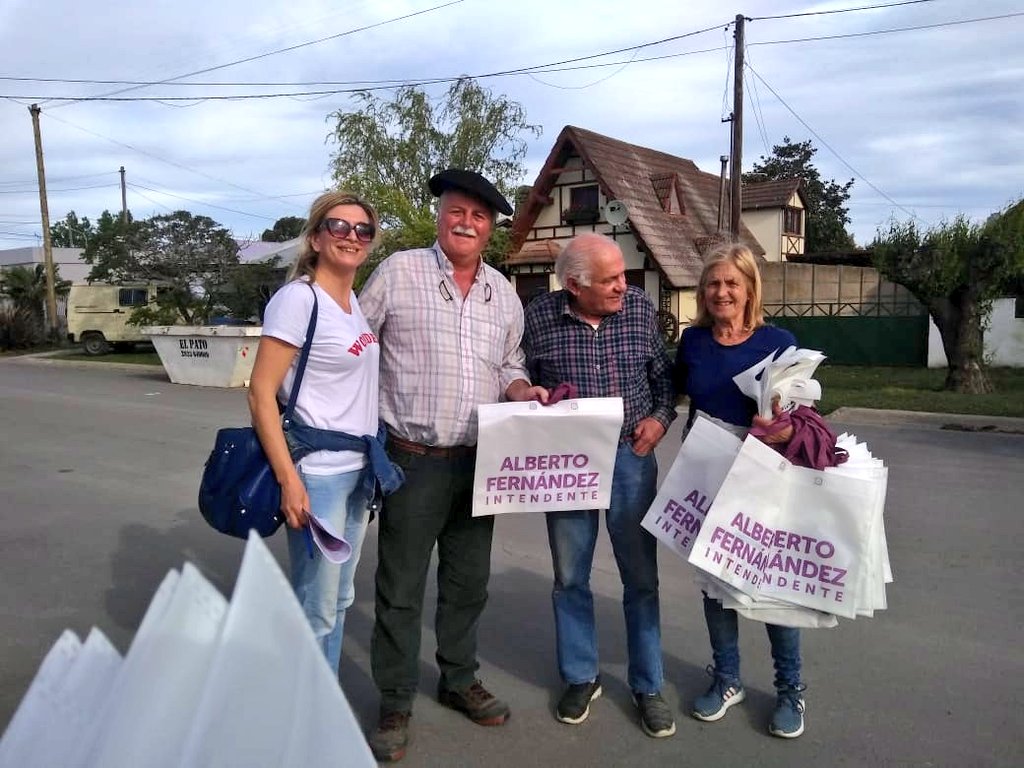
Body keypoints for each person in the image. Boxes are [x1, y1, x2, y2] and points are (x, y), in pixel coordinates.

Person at [360, 169, 547, 763]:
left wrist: (523, 391)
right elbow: (357, 344)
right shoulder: (399, 272)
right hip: (411, 459)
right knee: (400, 588)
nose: (467, 223)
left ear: (491, 229)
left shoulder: (503, 293)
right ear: (440, 216)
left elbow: (510, 364)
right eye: (457, 211)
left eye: (479, 216)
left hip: (480, 462)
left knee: (468, 584)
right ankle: (395, 699)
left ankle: (458, 677)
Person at [522, 233, 678, 739]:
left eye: (623, 275)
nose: (622, 286)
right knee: (570, 576)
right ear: (574, 285)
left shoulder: (639, 309)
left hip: (630, 456)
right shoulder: (539, 317)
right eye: (609, 279)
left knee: (641, 577)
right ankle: (580, 677)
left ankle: (648, 685)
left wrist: (660, 419)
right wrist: (527, 393)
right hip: (567, 462)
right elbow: (519, 378)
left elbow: (663, 379)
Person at [248, 191, 388, 675]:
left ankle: (321, 698)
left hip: (358, 471)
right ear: (315, 238)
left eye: (363, 229)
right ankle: (300, 710)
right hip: (318, 475)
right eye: (339, 226)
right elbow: (260, 393)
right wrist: (289, 480)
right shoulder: (298, 299)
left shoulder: (352, 305)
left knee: (339, 600)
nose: (352, 236)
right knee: (316, 607)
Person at [671, 242, 807, 739]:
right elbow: (676, 392)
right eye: (713, 283)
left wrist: (784, 428)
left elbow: (803, 412)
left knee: (770, 586)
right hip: (706, 472)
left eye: (732, 282)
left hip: (763, 475)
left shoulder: (779, 342)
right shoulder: (693, 341)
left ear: (751, 288)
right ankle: (727, 679)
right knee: (715, 583)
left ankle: (790, 689)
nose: (721, 292)